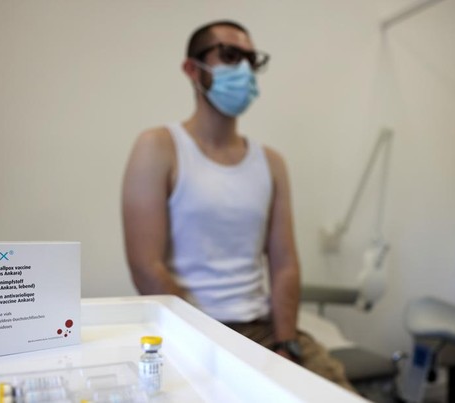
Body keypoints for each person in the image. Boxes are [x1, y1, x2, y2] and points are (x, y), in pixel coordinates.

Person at [122, 20, 354, 392]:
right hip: (191, 330)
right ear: (191, 69)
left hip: (263, 329)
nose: (243, 69)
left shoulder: (271, 162)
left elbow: (284, 264)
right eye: (229, 56)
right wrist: (209, 341)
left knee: (332, 391)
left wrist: (285, 342)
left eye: (250, 59)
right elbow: (146, 267)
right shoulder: (159, 147)